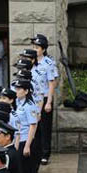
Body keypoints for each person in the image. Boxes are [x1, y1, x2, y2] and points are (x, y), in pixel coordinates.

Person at [30, 34, 59, 165]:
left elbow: (52, 83)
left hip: (44, 98)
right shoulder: (30, 62)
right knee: (32, 125)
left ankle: (45, 153)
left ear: (43, 49)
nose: (34, 49)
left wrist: (49, 102)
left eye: (37, 47)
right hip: (32, 99)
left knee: (44, 127)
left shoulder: (48, 63)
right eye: (33, 47)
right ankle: (34, 150)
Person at [12, 78, 40, 173]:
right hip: (17, 141)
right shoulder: (16, 103)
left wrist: (28, 145)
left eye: (19, 89)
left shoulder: (30, 106)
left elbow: (32, 126)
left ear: (26, 91)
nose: (16, 91)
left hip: (25, 141)